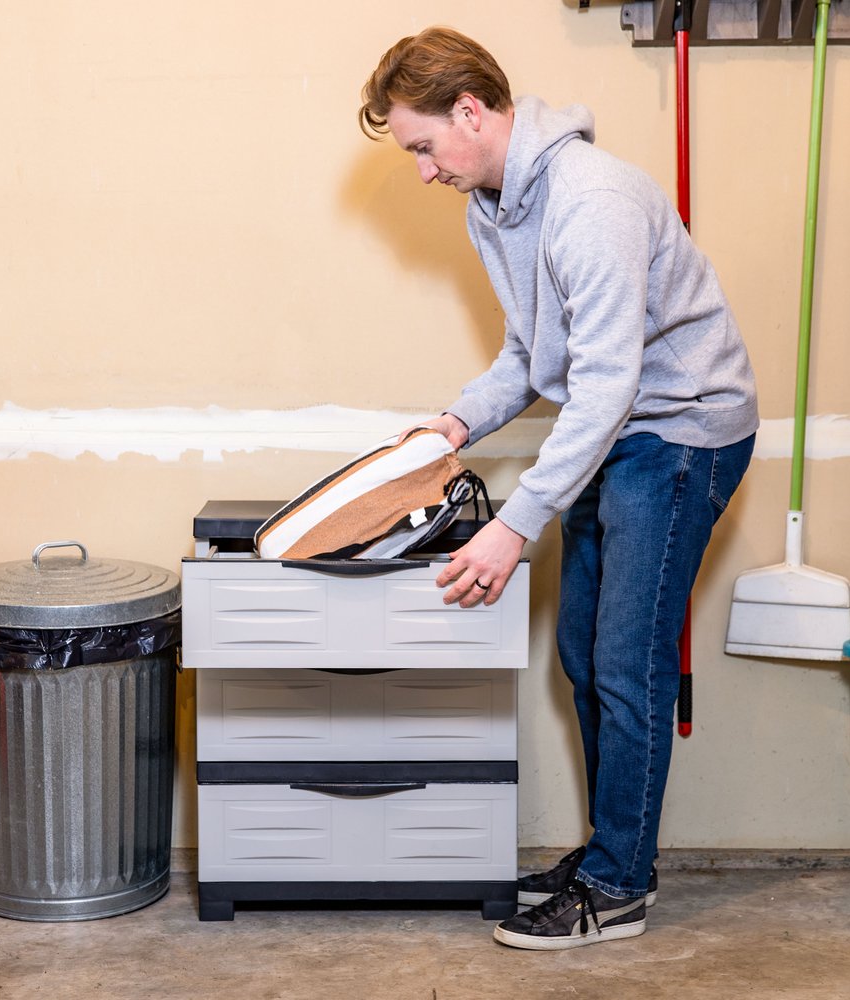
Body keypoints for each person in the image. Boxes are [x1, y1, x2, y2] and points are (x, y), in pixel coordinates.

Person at [359, 27, 757, 950]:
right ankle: (610, 848)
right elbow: (536, 358)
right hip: (612, 429)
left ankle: (619, 886)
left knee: (628, 664)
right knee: (581, 652)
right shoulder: (494, 208)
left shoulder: (592, 201)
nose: (422, 171)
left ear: (471, 111)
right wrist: (450, 426)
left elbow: (609, 381)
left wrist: (516, 528)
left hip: (682, 431)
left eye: (423, 146)